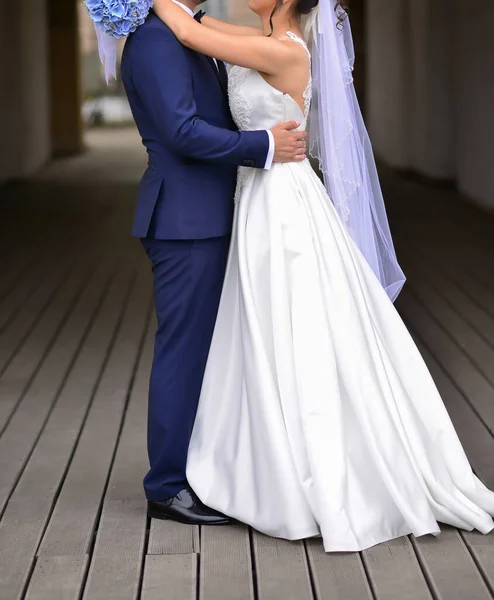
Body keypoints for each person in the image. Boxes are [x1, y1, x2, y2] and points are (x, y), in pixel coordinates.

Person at [150, 0, 494, 551]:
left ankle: (312, 469)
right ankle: (265, 455)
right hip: (256, 198)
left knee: (296, 327)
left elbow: (190, 34)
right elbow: (201, 25)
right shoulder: (253, 34)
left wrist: (145, 2)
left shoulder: (279, 50)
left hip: (282, 203)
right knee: (262, 328)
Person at [120, 2, 308, 526]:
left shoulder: (191, 27)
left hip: (220, 213)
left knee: (217, 350)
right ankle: (167, 486)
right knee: (184, 351)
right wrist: (264, 145)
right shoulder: (158, 38)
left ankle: (210, 468)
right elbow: (181, 131)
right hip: (185, 220)